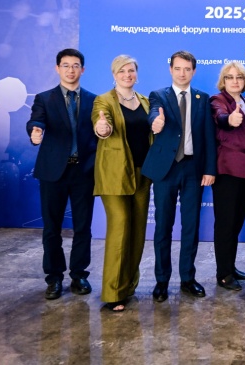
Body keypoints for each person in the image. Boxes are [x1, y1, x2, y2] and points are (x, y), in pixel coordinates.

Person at [141, 51, 217, 302]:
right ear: (170, 69)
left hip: (193, 168)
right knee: (163, 226)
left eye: (187, 69)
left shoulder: (202, 98)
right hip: (166, 169)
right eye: (178, 68)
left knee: (191, 226)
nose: (182, 73)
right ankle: (162, 280)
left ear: (193, 71)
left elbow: (208, 136)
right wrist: (156, 122)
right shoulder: (158, 95)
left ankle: (187, 278)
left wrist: (210, 169)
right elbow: (153, 114)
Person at [27, 48, 97, 300]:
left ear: (83, 70)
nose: (70, 70)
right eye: (65, 65)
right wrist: (35, 131)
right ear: (57, 69)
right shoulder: (44, 98)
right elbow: (36, 121)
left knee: (83, 227)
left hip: (84, 171)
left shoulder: (94, 100)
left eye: (75, 65)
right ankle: (54, 278)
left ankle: (79, 275)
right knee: (51, 228)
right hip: (53, 171)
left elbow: (100, 130)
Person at [91, 55, 152, 312]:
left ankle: (128, 286)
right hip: (115, 174)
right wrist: (102, 128)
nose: (127, 75)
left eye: (131, 71)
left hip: (142, 173)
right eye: (122, 71)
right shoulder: (104, 100)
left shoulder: (145, 101)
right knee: (120, 226)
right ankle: (113, 291)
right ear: (114, 74)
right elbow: (100, 126)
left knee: (137, 230)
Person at [210, 62, 245, 292]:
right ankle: (223, 274)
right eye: (229, 77)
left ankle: (230, 265)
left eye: (239, 77)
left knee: (237, 221)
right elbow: (220, 117)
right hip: (227, 169)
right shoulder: (218, 100)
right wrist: (229, 120)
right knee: (225, 223)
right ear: (223, 81)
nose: (234, 81)